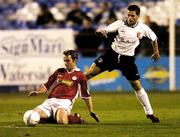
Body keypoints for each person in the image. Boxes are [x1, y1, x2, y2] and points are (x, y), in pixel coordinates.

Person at [85, 5, 160, 123]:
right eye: (128, 15)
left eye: (132, 15)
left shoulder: (143, 28)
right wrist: (102, 32)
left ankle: (149, 113)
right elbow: (107, 29)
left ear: (138, 16)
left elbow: (154, 38)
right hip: (112, 55)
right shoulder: (120, 23)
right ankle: (67, 101)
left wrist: (156, 52)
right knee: (86, 75)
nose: (129, 18)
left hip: (127, 60)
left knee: (136, 85)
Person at [27, 50, 99, 124]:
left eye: (68, 60)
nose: (65, 63)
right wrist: (37, 92)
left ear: (75, 60)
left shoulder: (80, 75)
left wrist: (91, 111)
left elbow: (86, 95)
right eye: (64, 61)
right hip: (50, 101)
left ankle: (78, 119)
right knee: (31, 116)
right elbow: (47, 85)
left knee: (62, 121)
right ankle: (55, 117)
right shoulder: (59, 71)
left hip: (64, 102)